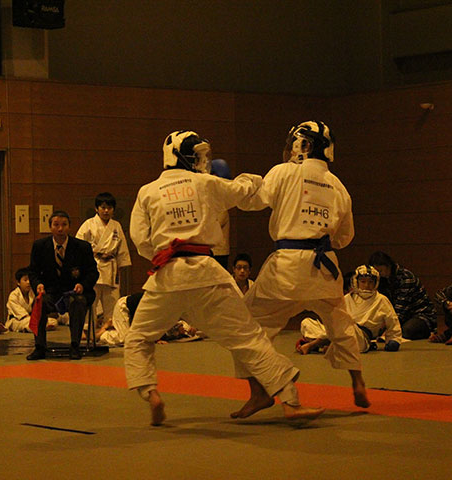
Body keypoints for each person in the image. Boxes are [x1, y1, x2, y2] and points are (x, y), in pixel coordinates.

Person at [126, 129, 324, 426]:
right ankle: (290, 402)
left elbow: (140, 239)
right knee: (248, 338)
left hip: (166, 277)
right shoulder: (206, 183)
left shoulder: (147, 191)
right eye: (197, 155)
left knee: (138, 338)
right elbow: (242, 191)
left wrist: (161, 253)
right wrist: (254, 178)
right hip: (206, 275)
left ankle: (150, 392)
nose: (202, 161)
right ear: (181, 156)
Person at [234, 120, 370, 415]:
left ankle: (260, 391)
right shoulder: (338, 185)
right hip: (325, 267)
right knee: (340, 322)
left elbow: (253, 201)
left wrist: (235, 185)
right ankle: (357, 380)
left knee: (246, 324)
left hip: (288, 265)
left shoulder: (285, 172)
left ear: (302, 145)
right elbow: (344, 238)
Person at [27, 210, 98, 360]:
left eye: (64, 225)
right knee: (39, 303)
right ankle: (39, 347)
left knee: (78, 302)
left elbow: (93, 272)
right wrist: (38, 284)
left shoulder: (82, 247)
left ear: (69, 227)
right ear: (50, 227)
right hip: (51, 292)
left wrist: (82, 285)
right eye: (56, 225)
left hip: (75, 292)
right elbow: (33, 272)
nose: (60, 229)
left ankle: (75, 345)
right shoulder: (40, 246)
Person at [298, 265, 403, 354]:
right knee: (307, 323)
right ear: (356, 282)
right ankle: (332, 344)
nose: (367, 285)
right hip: (342, 331)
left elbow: (392, 321)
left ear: (376, 283)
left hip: (361, 338)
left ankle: (315, 344)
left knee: (349, 328)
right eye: (363, 281)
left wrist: (394, 339)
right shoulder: (348, 298)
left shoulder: (381, 300)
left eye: (371, 282)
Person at [76, 192, 131, 331]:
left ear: (113, 210)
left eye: (109, 208)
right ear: (96, 208)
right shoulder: (88, 225)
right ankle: (88, 330)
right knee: (91, 302)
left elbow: (122, 249)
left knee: (112, 302)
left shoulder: (116, 226)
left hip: (111, 269)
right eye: (103, 207)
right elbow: (78, 246)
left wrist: (121, 266)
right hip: (93, 266)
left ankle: (110, 330)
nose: (106, 211)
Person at [368, 251, 437, 340]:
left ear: (388, 265)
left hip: (420, 314)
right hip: (400, 316)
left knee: (406, 331)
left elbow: (401, 308)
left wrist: (389, 327)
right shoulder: (381, 280)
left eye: (380, 271)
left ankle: (428, 332)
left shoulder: (406, 277)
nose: (379, 274)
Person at [96, 292, 201, 346]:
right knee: (124, 339)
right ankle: (104, 332)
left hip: (136, 311)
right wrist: (157, 338)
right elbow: (151, 321)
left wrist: (191, 327)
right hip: (123, 307)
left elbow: (177, 317)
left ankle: (116, 325)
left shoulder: (172, 303)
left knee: (182, 327)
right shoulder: (159, 301)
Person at [6, 268, 57, 333]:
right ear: (18, 282)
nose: (28, 282)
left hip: (31, 318)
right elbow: (21, 314)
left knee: (53, 321)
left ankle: (40, 327)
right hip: (17, 320)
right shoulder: (13, 295)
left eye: (29, 280)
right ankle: (40, 327)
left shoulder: (31, 293)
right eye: (25, 280)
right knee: (29, 323)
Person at [210, 159, 232, 270]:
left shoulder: (220, 203)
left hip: (218, 252)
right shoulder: (214, 200)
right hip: (212, 251)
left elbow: (213, 225)